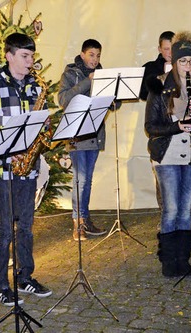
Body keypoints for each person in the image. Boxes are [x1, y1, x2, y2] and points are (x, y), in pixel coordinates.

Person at [0, 32, 52, 306]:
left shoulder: (35, 88)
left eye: (32, 56)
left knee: (26, 226)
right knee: (5, 228)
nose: (31, 62)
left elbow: (44, 124)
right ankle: (1, 285)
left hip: (28, 168)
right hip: (4, 169)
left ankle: (25, 277)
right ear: (9, 56)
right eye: (25, 56)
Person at [144, 31, 191, 278]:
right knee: (171, 209)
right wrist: (177, 126)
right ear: (175, 62)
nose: (188, 66)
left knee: (186, 210)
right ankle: (168, 260)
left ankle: (183, 259)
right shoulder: (159, 85)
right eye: (183, 61)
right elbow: (150, 127)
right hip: (168, 154)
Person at [57, 38, 110, 241]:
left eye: (97, 56)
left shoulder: (103, 75)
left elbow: (110, 105)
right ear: (82, 55)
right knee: (80, 180)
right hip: (76, 134)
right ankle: (77, 224)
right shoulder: (70, 73)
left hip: (95, 134)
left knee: (87, 181)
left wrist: (113, 97)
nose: (95, 59)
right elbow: (63, 100)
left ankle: (85, 220)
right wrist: (89, 81)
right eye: (91, 55)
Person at [140, 31, 175, 101]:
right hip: (157, 109)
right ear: (160, 49)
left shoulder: (186, 66)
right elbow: (143, 95)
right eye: (166, 49)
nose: (170, 53)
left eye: (173, 48)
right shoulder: (149, 68)